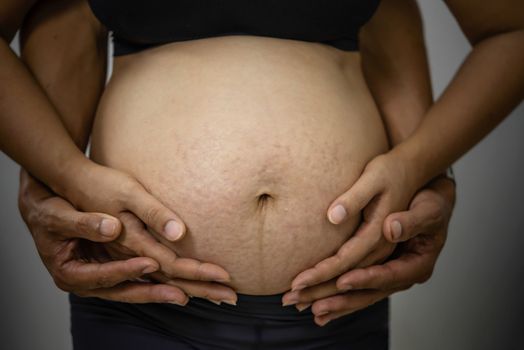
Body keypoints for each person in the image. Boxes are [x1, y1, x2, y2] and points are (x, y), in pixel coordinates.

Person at [1, 0, 522, 349]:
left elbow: (510, 28)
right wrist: (61, 178)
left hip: (335, 299)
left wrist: (424, 169)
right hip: (144, 295)